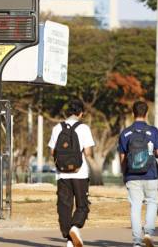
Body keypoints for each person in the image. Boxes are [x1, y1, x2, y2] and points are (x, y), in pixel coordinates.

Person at [48, 99, 95, 247]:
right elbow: (87, 152)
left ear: (68, 112)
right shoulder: (84, 128)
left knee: (64, 206)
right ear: (81, 113)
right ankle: (75, 228)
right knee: (82, 205)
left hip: (62, 174)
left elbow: (52, 151)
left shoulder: (57, 128)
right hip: (80, 173)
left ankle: (69, 239)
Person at [118, 101, 158, 247]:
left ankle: (137, 242)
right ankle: (148, 233)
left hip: (132, 175)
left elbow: (122, 157)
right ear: (147, 113)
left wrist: (124, 173)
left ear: (133, 113)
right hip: (151, 174)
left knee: (135, 207)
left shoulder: (126, 133)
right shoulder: (154, 131)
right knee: (151, 202)